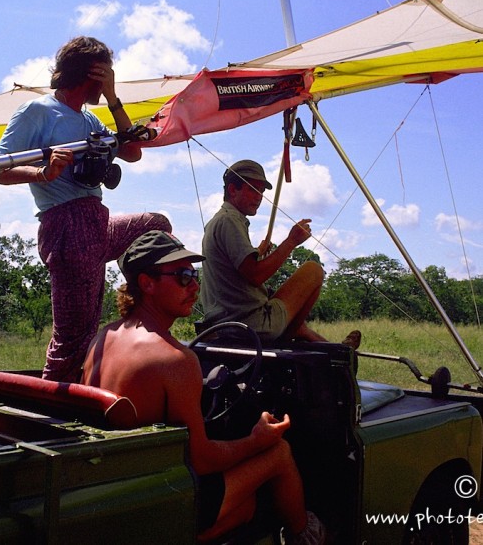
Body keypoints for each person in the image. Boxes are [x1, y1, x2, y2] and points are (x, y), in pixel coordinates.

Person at [81, 230, 327, 544]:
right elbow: (202, 461)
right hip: (165, 502)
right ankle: (307, 535)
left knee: (248, 506)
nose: (195, 285)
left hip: (119, 488)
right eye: (183, 276)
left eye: (194, 274)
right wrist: (256, 439)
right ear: (147, 283)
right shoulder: (174, 360)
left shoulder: (102, 339)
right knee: (279, 452)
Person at [0, 36, 171, 383]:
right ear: (92, 72)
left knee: (156, 225)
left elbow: (132, 152)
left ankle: (135, 314)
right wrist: (42, 172)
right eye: (106, 78)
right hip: (66, 225)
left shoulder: (90, 121)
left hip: (96, 220)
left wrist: (114, 98)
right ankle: (49, 415)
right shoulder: (38, 111)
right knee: (74, 337)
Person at [200, 159, 360, 348]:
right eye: (253, 189)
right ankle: (293, 338)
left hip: (225, 321)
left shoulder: (217, 222)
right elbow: (255, 275)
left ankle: (339, 350)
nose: (259, 197)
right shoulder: (230, 220)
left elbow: (237, 272)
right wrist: (291, 241)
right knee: (313, 270)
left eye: (262, 191)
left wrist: (258, 252)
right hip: (250, 323)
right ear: (233, 189)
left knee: (299, 325)